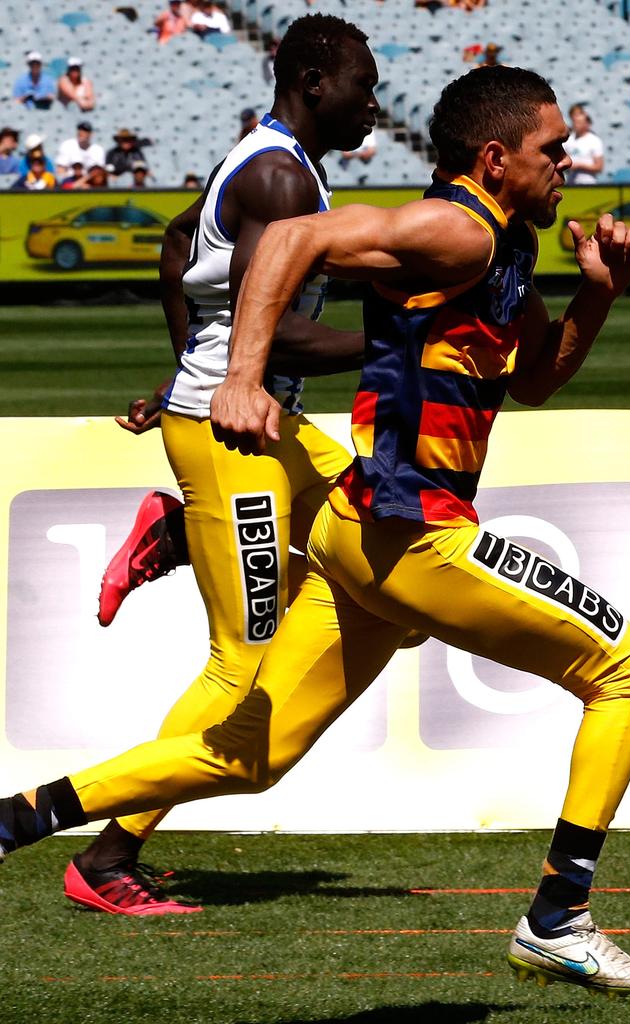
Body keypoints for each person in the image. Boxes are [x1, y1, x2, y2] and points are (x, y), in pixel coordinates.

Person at [0, 65, 630, 999]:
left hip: (365, 537)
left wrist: (600, 293)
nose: (570, 162)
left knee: (246, 757)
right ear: (494, 157)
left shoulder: (507, 243)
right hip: (417, 537)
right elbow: (289, 235)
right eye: (552, 149)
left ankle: (16, 820)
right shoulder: (456, 228)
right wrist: (241, 377)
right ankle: (559, 917)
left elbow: (531, 382)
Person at [37, 12, 376, 918]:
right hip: (236, 441)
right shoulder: (277, 173)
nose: (372, 103)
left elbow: (176, 240)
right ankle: (106, 859)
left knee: (374, 528)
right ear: (314, 83)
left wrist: (191, 364)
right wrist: (390, 344)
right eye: (361, 85)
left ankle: (180, 533)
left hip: (255, 430)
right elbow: (283, 331)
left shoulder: (268, 159)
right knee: (242, 664)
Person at [564, 104, 603, 185]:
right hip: (571, 184)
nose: (576, 124)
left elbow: (599, 166)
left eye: (579, 122)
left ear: (586, 123)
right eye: (574, 122)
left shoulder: (594, 140)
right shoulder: (569, 139)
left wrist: (579, 166)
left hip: (588, 184)